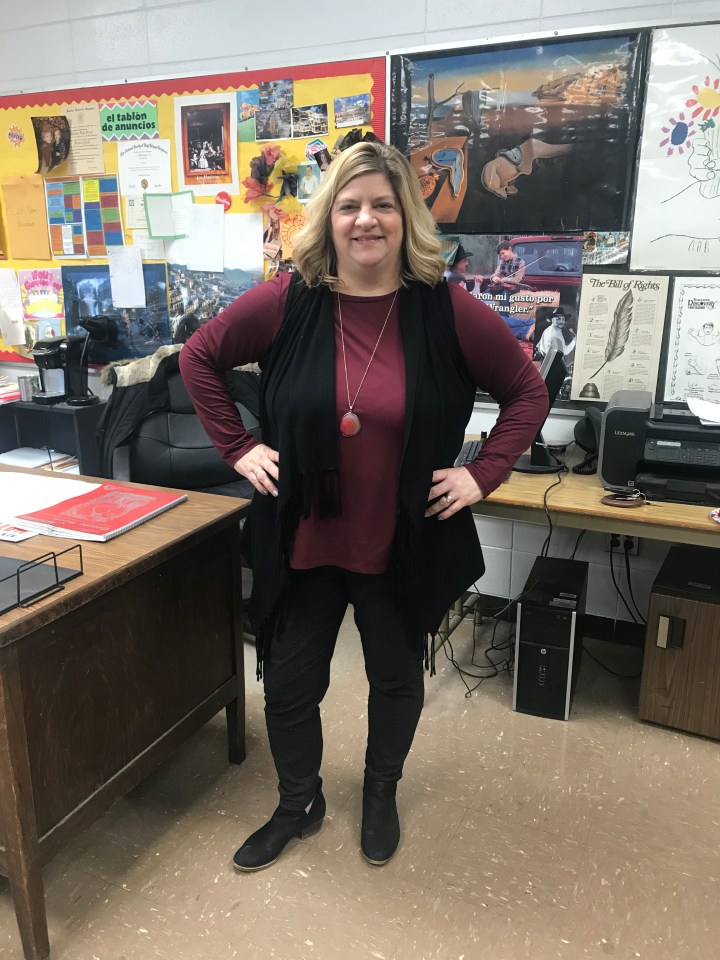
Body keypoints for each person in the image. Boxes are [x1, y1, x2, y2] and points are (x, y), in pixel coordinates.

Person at [179, 140, 548, 874]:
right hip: (304, 538)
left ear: (406, 216)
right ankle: (298, 802)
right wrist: (239, 448)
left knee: (395, 679)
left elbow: (527, 392)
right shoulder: (286, 302)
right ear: (329, 219)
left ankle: (381, 793)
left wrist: (482, 475)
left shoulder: (445, 310)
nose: (366, 219)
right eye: (349, 205)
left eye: (383, 204)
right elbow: (198, 358)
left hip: (400, 539)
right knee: (288, 687)